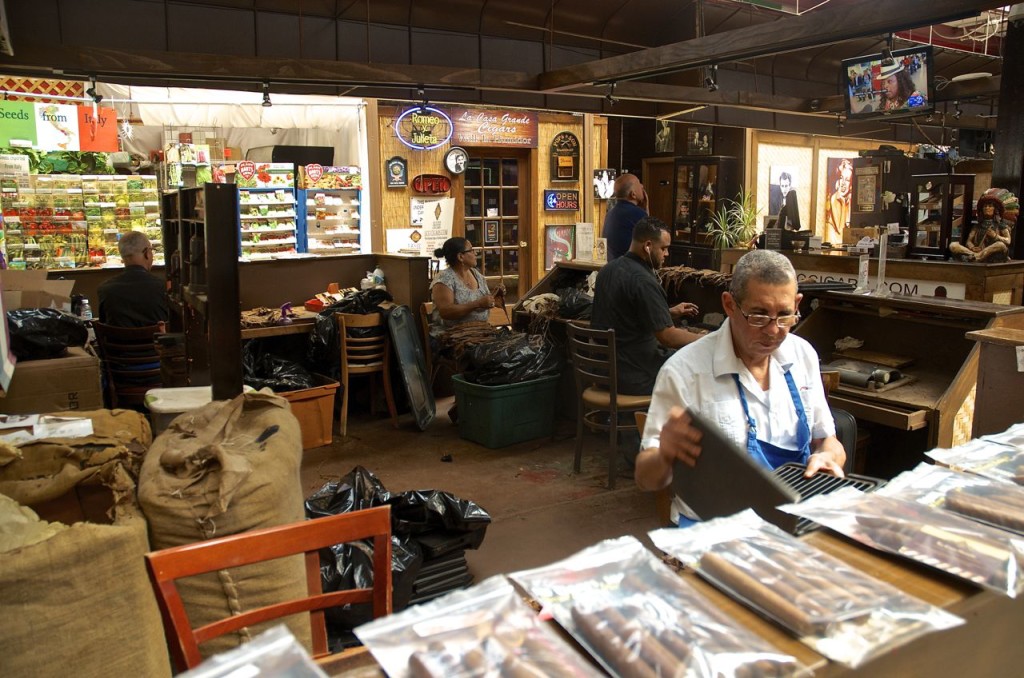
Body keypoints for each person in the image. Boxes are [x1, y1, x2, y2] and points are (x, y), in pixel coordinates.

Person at [635, 249, 846, 524]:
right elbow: (645, 478)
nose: (772, 331)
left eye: (784, 316)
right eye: (758, 316)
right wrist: (664, 455)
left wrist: (829, 456)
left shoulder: (802, 355)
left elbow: (827, 440)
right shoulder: (684, 372)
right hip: (713, 530)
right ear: (730, 305)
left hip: (790, 521)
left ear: (797, 304)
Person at [591, 217, 702, 397]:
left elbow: (625, 315)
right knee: (697, 372)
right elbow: (669, 337)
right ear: (648, 246)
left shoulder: (607, 270)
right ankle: (666, 424)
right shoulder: (643, 281)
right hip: (634, 376)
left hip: (602, 371)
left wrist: (669, 313)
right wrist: (709, 339)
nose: (666, 254)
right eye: (664, 248)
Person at [97, 231, 170, 328]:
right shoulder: (163, 287)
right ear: (147, 254)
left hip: (118, 342)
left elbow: (104, 325)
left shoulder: (105, 289)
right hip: (155, 342)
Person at [429, 237, 497, 330]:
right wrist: (478, 304)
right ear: (461, 257)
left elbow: (486, 301)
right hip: (452, 336)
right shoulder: (444, 279)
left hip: (480, 331)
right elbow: (446, 312)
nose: (475, 253)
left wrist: (495, 297)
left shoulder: (476, 274)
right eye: (471, 250)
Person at [950, 195, 1012, 262]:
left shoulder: (1000, 224)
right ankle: (977, 256)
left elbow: (1008, 240)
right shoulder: (977, 226)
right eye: (985, 206)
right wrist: (972, 247)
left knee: (1000, 245)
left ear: (995, 209)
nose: (986, 208)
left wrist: (995, 236)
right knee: (953, 245)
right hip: (977, 251)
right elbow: (968, 241)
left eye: (990, 206)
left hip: (992, 252)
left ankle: (976, 257)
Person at [602, 173, 648, 260]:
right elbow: (651, 245)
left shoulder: (610, 214)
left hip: (614, 267)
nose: (642, 186)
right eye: (639, 184)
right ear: (633, 194)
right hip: (631, 269)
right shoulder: (638, 214)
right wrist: (645, 211)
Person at [824, 159, 853, 241]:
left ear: (851, 184)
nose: (843, 183)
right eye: (841, 178)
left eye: (847, 180)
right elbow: (840, 230)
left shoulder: (849, 200)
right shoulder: (834, 199)